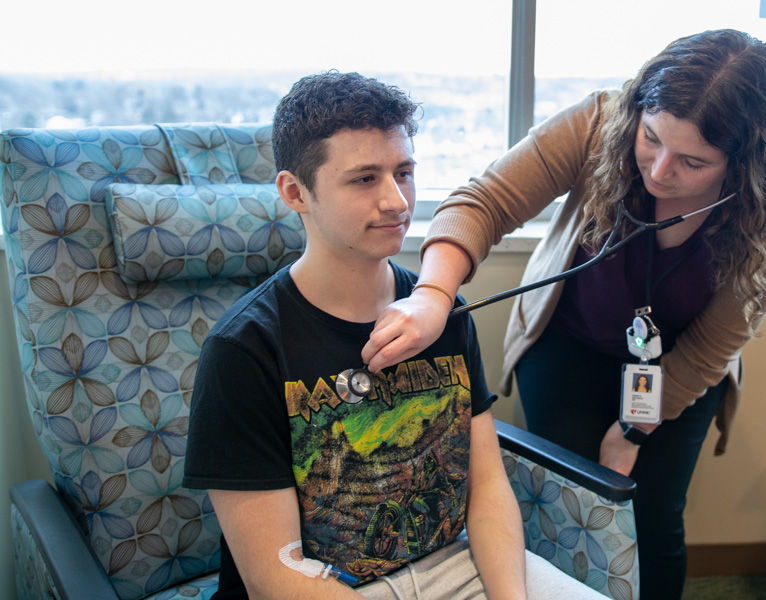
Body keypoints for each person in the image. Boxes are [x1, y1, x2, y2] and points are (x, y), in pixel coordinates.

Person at [361, 30, 766, 599]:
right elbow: (484, 202)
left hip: (679, 369)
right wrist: (432, 296)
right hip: (567, 344)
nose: (661, 171)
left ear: (743, 166)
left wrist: (629, 433)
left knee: (651, 515)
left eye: (693, 161)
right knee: (565, 507)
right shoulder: (600, 124)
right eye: (651, 139)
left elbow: (712, 348)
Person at [183, 71, 608, 600]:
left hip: (453, 563)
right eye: (365, 179)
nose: (397, 201)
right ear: (296, 192)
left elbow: (486, 485)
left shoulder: (442, 309)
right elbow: (276, 576)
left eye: (403, 172)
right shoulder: (244, 350)